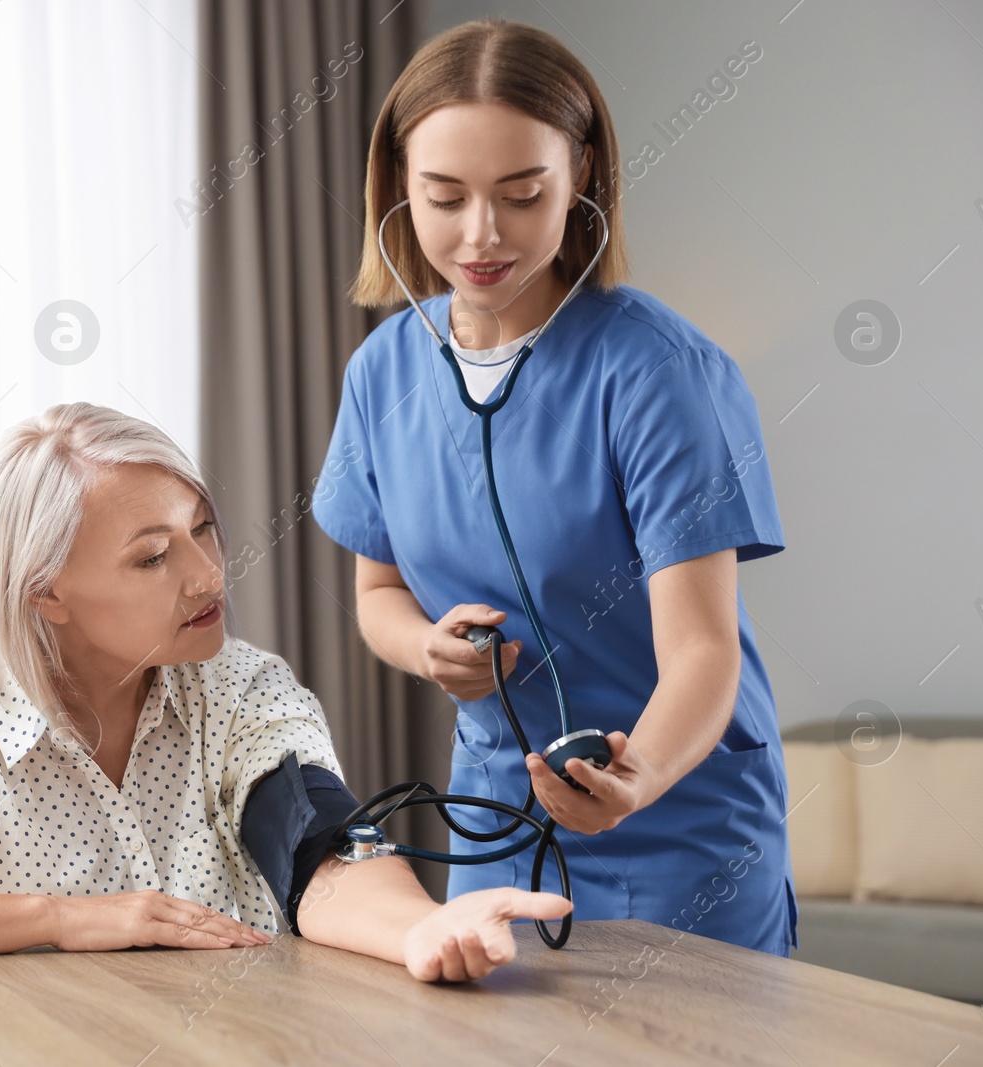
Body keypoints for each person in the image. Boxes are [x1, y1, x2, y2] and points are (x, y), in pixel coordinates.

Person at [0, 402, 571, 982]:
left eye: (201, 528)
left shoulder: (240, 689)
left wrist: (421, 928)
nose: (208, 574)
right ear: (46, 591)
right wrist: (60, 918)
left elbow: (316, 843)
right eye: (151, 555)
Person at [310, 19, 796, 955]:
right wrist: (426, 649)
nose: (481, 235)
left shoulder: (657, 372)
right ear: (397, 193)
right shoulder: (381, 376)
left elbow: (703, 649)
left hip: (678, 821)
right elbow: (377, 595)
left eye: (522, 195)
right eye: (444, 198)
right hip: (498, 816)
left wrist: (634, 776)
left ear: (580, 179)